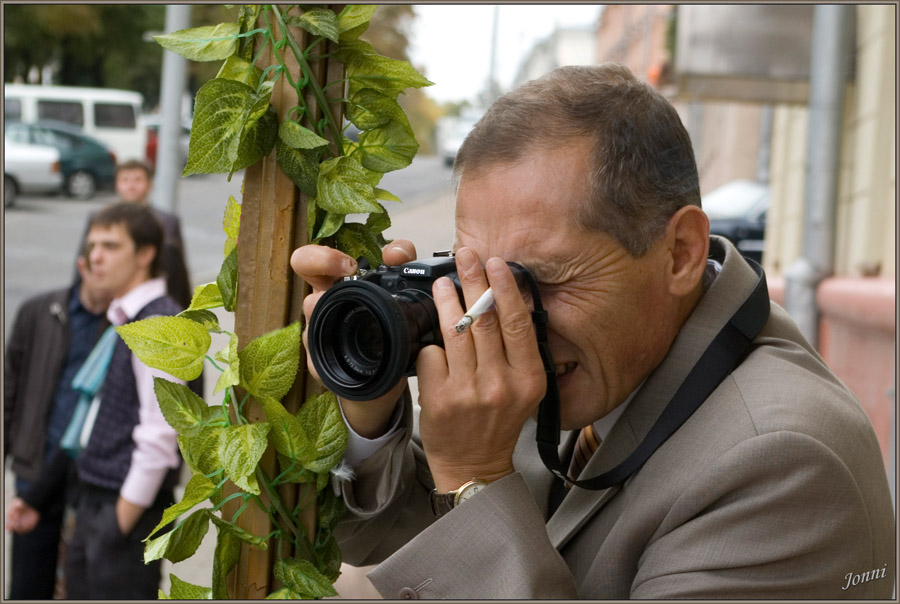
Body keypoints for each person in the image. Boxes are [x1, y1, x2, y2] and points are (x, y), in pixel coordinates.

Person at [290, 64, 895, 598]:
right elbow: (398, 544)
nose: (504, 318)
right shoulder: (595, 360)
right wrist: (371, 408)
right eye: (479, 275)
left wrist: (473, 475)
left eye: (543, 279)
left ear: (681, 252)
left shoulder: (783, 464)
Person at [60, 201, 187, 599]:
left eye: (111, 245)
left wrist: (118, 523)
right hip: (97, 500)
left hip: (124, 510)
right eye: (92, 244)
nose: (94, 256)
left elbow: (160, 436)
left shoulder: (156, 324)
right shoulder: (125, 315)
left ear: (146, 254)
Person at [4, 253, 113, 599]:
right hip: (36, 470)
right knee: (27, 584)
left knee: (81, 583)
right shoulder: (39, 311)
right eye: (96, 263)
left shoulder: (122, 324)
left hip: (87, 481)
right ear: (81, 265)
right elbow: (9, 390)